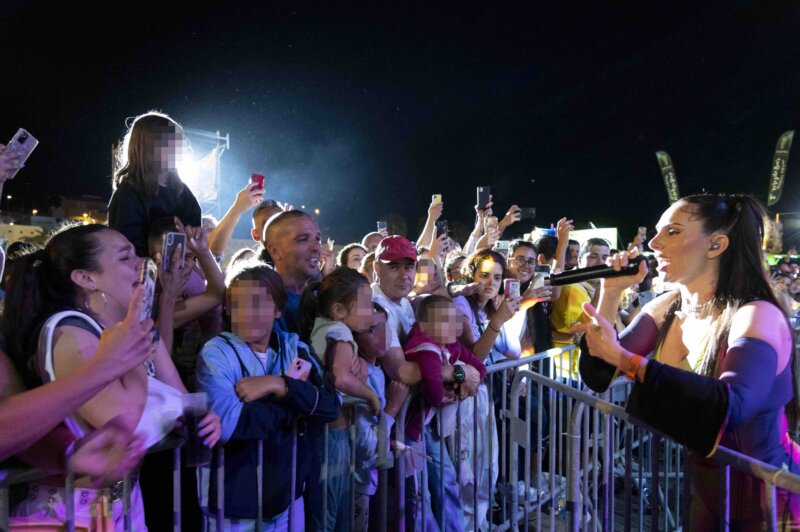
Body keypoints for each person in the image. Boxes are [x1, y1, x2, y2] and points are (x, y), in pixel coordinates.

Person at [576, 193, 800, 529]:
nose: (653, 243)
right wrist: (610, 292)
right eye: (657, 232)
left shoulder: (756, 315)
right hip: (708, 497)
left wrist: (629, 361)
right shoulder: (668, 306)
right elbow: (598, 374)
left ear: (716, 245)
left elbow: (731, 407)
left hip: (775, 502)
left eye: (673, 232)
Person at [3, 223, 221, 527]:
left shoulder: (125, 329)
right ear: (85, 277)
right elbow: (124, 419)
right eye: (124, 258)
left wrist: (191, 419)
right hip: (69, 513)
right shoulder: (68, 331)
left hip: (125, 503)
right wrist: (135, 335)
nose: (141, 266)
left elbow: (183, 399)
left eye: (139, 257)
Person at [196, 261, 339, 530]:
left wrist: (278, 384)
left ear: (277, 310)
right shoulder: (216, 352)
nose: (248, 313)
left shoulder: (292, 346)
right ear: (227, 308)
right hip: (235, 501)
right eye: (238, 303)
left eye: (259, 303)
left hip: (287, 496)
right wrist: (293, 398)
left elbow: (330, 407)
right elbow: (231, 425)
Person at [300, 266, 382, 531]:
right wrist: (370, 395)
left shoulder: (325, 328)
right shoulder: (339, 331)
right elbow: (341, 379)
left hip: (327, 435)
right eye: (366, 305)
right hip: (331, 437)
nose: (371, 311)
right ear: (338, 310)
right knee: (329, 513)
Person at [402, 295, 486, 531]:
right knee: (420, 494)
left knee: (447, 481)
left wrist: (469, 382)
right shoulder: (425, 347)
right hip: (410, 431)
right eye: (444, 321)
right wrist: (448, 393)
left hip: (428, 427)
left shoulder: (449, 344)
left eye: (454, 320)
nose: (453, 327)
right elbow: (432, 387)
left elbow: (479, 367)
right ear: (424, 326)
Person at [108, 111, 202, 256]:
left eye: (180, 142)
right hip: (144, 275)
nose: (179, 149)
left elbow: (196, 240)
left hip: (185, 274)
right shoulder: (128, 195)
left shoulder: (184, 193)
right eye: (170, 142)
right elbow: (127, 249)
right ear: (146, 147)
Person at [351, 303, 409, 531]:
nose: (384, 335)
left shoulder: (376, 370)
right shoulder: (360, 376)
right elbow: (365, 445)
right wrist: (392, 409)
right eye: (372, 330)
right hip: (358, 480)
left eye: (386, 327)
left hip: (369, 478)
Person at [550, 236, 608, 380]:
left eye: (605, 257)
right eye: (593, 257)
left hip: (586, 368)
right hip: (570, 373)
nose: (601, 262)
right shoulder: (571, 288)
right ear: (580, 260)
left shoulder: (594, 287)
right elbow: (578, 329)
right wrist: (602, 292)